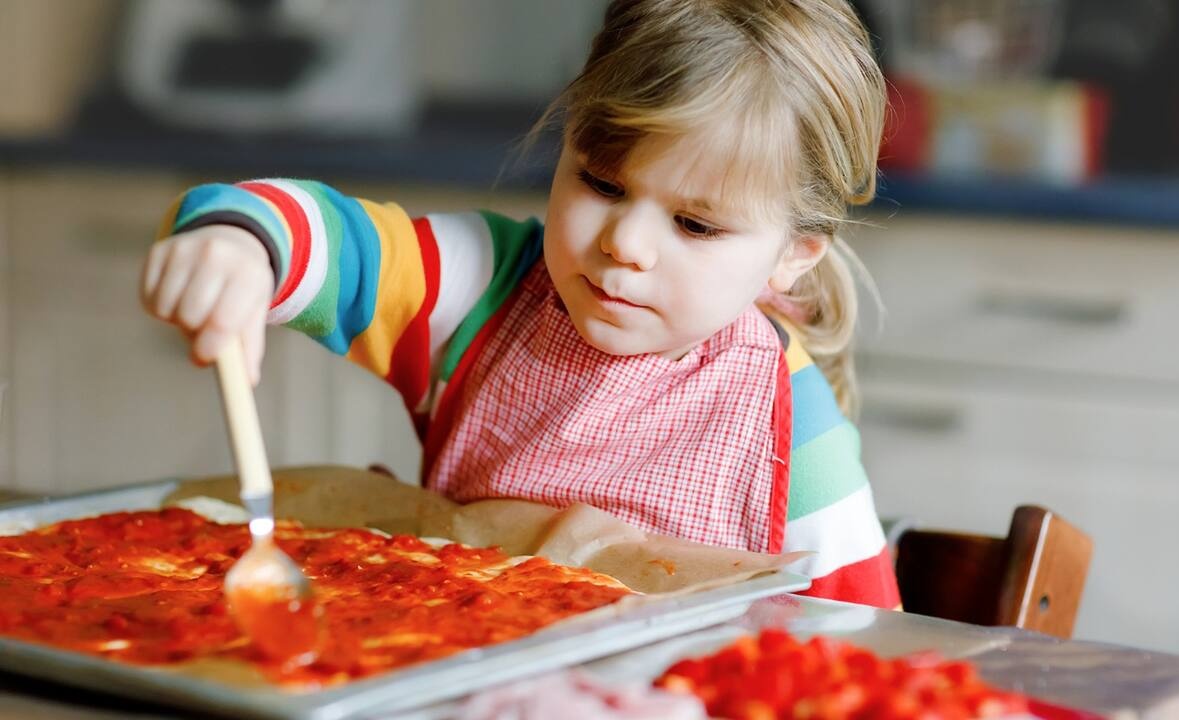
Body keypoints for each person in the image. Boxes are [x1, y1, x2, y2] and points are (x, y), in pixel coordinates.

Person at [140, 0, 900, 608]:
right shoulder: (481, 287)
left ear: (793, 255)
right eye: (602, 183)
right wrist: (242, 246)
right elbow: (336, 243)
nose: (625, 242)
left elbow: (864, 649)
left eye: (695, 224)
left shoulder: (795, 433)